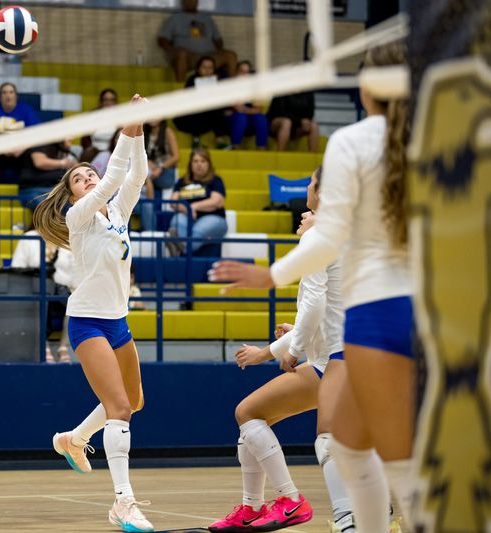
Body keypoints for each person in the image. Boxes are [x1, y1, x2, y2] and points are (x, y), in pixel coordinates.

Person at [208, 43, 414, 533]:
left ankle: (348, 519)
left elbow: (321, 292)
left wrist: (273, 287)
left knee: (335, 441)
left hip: (365, 332)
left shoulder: (351, 148)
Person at [207, 167, 357, 533]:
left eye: (310, 182)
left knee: (325, 438)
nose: (306, 187)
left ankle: (319, 511)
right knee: (252, 414)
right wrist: (271, 349)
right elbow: (329, 308)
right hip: (340, 355)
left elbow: (317, 306)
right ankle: (254, 506)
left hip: (343, 356)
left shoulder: (320, 236)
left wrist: (294, 349)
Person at [34, 94, 155, 533]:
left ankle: (75, 438)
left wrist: (138, 131)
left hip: (117, 320)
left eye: (90, 173)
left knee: (135, 401)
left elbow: (135, 174)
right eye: (81, 178)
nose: (89, 179)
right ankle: (123, 502)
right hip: (86, 321)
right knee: (119, 406)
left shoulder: (117, 215)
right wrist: (128, 125)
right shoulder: (79, 215)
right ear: (72, 193)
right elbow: (114, 177)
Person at [10, 229, 75, 363]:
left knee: (76, 302)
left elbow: (75, 273)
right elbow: (16, 268)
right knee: (42, 294)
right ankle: (43, 346)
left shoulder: (68, 238)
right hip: (35, 289)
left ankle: (63, 347)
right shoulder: (29, 238)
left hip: (62, 290)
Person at [157, 0, 237, 82]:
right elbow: (162, 39)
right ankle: (181, 89)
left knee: (230, 55)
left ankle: (234, 89)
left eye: (194, 1)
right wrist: (172, 50)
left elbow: (218, 40)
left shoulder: (207, 18)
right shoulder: (174, 19)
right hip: (190, 57)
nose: (191, 2)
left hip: (209, 55)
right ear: (183, 2)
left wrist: (218, 49)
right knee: (182, 55)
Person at [168, 148, 227, 255]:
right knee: (176, 220)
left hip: (214, 218)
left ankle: (180, 250)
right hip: (188, 216)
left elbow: (217, 201)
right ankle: (180, 247)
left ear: (209, 164)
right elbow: (173, 202)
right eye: (195, 161)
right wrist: (186, 209)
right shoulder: (182, 181)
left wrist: (194, 206)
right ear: (190, 164)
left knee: (196, 232)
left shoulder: (215, 180)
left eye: (203, 161)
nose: (199, 164)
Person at [0, 82, 41, 183]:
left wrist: (21, 148)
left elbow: (35, 134)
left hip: (22, 149)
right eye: (4, 93)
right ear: (0, 97)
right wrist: (3, 147)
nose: (8, 95)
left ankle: (26, 188)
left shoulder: (26, 110)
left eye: (11, 92)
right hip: (0, 150)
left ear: (16, 96)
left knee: (33, 153)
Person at [172, 56, 229, 148]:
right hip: (195, 115)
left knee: (219, 108)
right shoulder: (192, 79)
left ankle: (219, 138)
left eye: (210, 67)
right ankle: (196, 137)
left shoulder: (218, 80)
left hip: (212, 115)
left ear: (214, 69)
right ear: (198, 68)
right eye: (204, 67)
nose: (207, 70)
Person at [139, 119, 179, 231]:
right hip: (149, 171)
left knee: (140, 179)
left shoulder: (167, 132)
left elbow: (176, 157)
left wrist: (160, 168)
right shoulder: (143, 132)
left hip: (166, 172)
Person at [18, 140, 79, 210]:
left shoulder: (68, 152)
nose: (71, 138)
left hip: (57, 190)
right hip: (33, 189)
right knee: (48, 208)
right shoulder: (43, 143)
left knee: (73, 205)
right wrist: (63, 163)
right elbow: (39, 162)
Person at [227, 61, 269, 150]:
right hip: (233, 118)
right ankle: (235, 147)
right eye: (242, 71)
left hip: (249, 118)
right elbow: (237, 107)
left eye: (247, 72)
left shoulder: (255, 88)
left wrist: (246, 109)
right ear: (236, 72)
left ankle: (261, 149)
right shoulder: (230, 86)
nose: (244, 75)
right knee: (241, 117)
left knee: (261, 118)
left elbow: (259, 109)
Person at [80, 88, 120, 163]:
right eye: (106, 99)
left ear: (115, 101)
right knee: (87, 153)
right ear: (101, 101)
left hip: (113, 151)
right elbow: (85, 139)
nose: (109, 102)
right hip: (94, 151)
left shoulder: (121, 117)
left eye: (112, 100)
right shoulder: (93, 115)